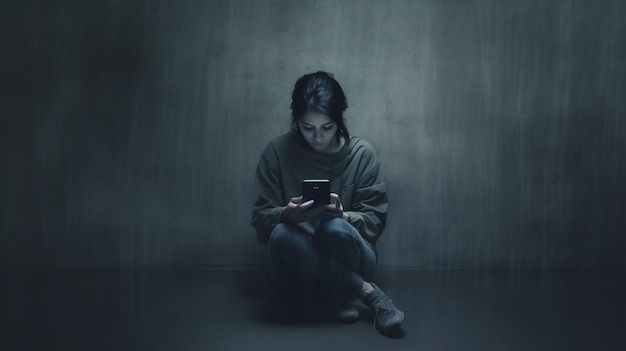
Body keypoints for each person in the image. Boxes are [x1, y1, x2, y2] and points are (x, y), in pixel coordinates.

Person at [250, 71, 404, 333]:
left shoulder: (361, 154)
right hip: (293, 267)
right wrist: (286, 215)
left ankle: (333, 297)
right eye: (308, 127)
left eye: (327, 127)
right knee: (280, 233)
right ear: (296, 121)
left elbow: (375, 223)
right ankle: (366, 293)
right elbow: (261, 221)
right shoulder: (276, 152)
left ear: (339, 119)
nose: (318, 137)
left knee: (334, 229)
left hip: (351, 257)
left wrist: (344, 217)